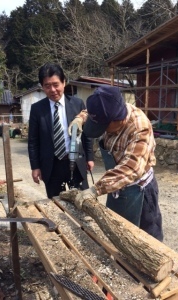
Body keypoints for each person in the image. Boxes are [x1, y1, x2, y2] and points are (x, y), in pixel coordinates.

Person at [67, 85, 163, 241]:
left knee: (147, 238)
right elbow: (91, 111)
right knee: (119, 234)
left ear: (117, 119)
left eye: (104, 126)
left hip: (139, 189)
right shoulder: (110, 106)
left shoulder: (140, 128)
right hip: (115, 184)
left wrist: (95, 189)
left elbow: (131, 168)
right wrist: (80, 119)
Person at [28, 62, 94, 199]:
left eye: (56, 84)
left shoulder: (77, 104)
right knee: (56, 205)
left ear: (64, 83)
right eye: (47, 86)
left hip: (76, 162)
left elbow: (86, 134)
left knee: (83, 201)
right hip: (51, 166)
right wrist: (35, 166)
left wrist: (90, 157)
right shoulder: (37, 109)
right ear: (42, 87)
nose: (52, 90)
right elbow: (33, 141)